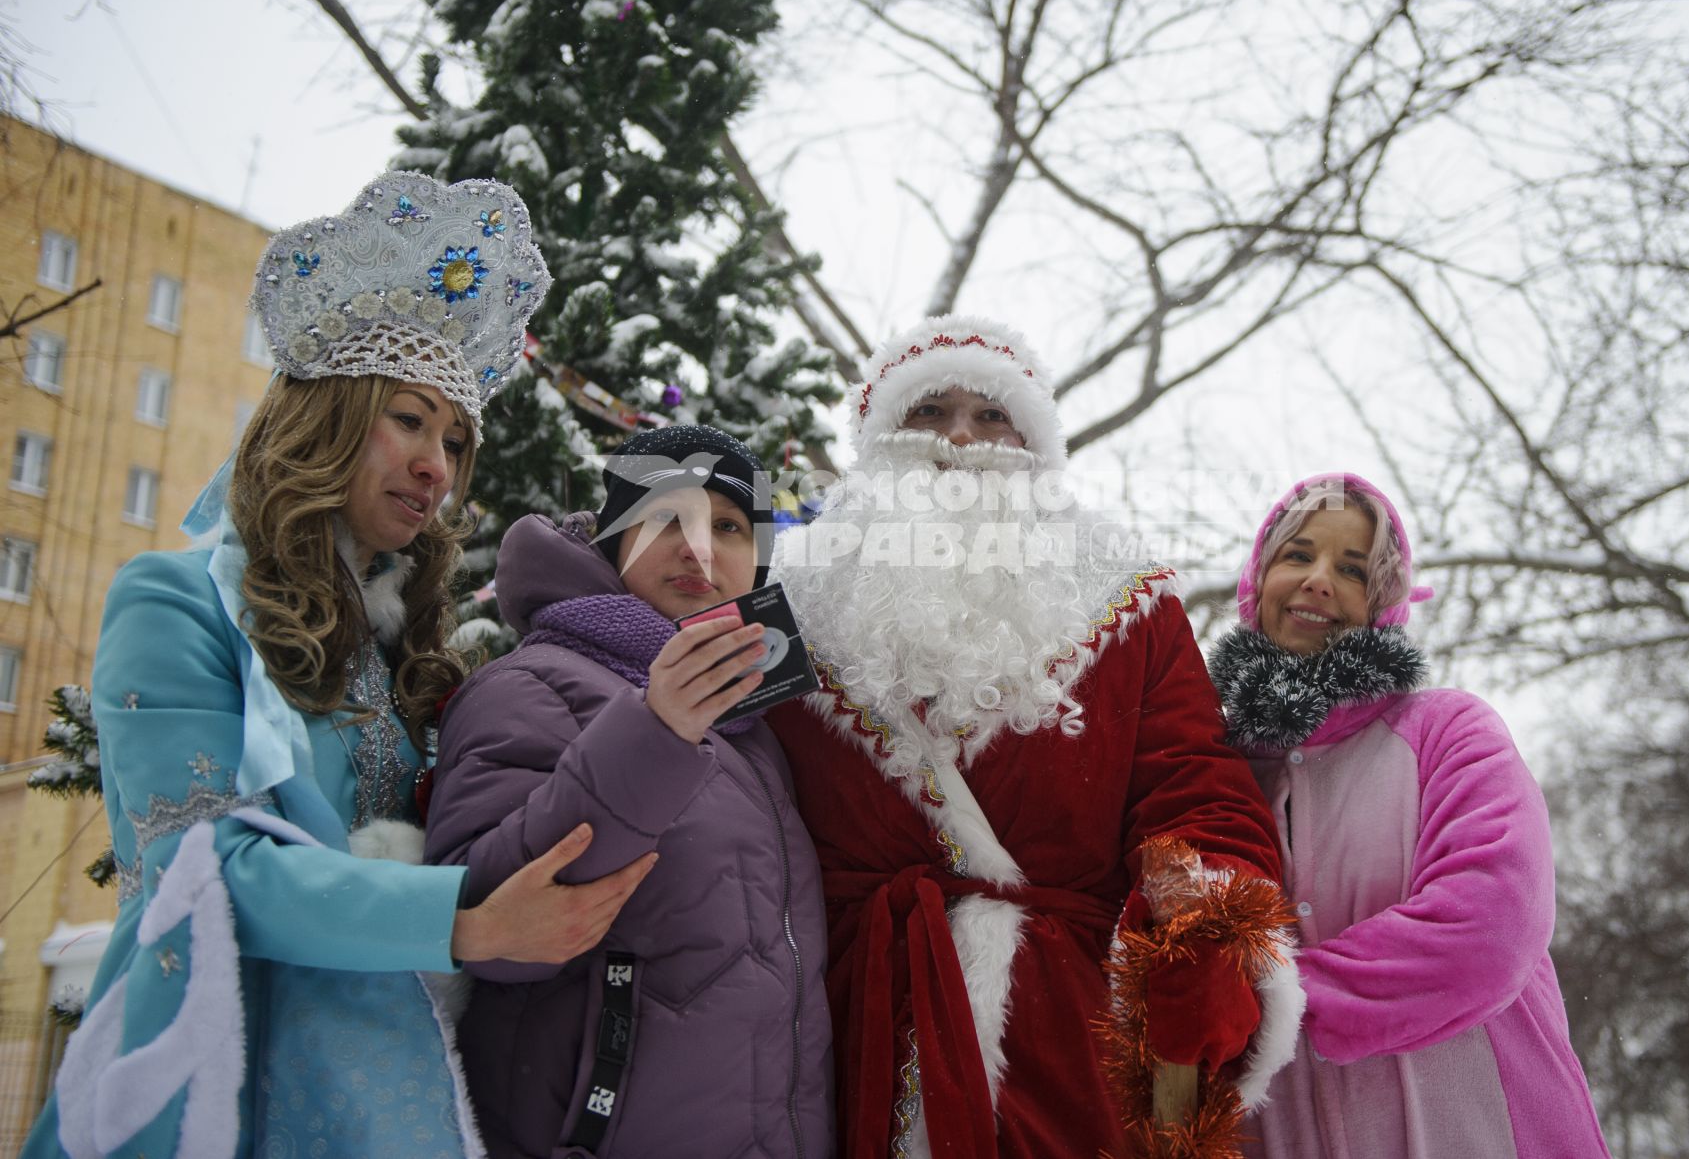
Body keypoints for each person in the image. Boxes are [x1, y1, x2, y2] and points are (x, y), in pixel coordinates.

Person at [25, 171, 656, 1159]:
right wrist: (469, 922)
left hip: (397, 1093)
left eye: (455, 440)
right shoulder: (173, 598)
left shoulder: (409, 650)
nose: (438, 466)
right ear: (325, 418)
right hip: (217, 1084)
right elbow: (201, 870)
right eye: (408, 419)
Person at [767, 316, 1305, 1157]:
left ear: (1035, 442)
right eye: (928, 411)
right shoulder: (790, 605)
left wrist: (1199, 925)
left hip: (1065, 1044)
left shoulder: (1128, 600)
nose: (960, 437)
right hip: (839, 1037)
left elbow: (1192, 787)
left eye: (991, 416)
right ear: (878, 444)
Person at [424, 424, 833, 1159]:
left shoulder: (762, 732)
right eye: (665, 516)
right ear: (614, 539)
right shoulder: (533, 682)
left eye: (731, 526)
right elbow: (478, 921)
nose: (699, 547)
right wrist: (654, 731)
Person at [1208, 473, 1611, 1159]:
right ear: (1259, 578)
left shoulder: (1447, 731)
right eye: (1298, 554)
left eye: (1354, 568)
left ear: (1386, 601)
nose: (1318, 579)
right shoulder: (1212, 775)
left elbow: (1491, 922)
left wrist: (1278, 1002)